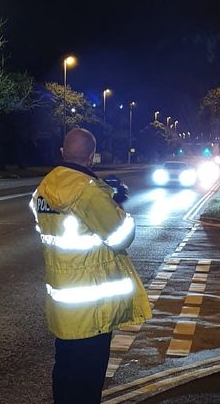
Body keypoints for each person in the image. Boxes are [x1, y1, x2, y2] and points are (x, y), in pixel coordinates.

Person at [30, 128, 152, 404]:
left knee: (65, 372)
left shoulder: (44, 188)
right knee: (87, 383)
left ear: (63, 153)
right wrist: (118, 207)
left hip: (64, 305)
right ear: (91, 158)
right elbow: (121, 237)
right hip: (92, 309)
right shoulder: (87, 191)